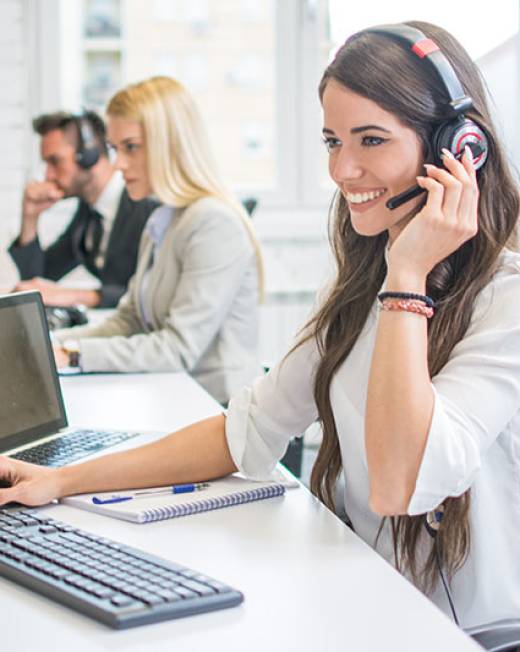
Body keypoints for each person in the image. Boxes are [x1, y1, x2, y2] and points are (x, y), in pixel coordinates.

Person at [0, 22, 518, 629]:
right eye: (332, 141)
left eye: (371, 140)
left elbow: (399, 486)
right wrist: (62, 480)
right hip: (373, 598)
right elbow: (246, 430)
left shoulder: (503, 299)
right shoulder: (358, 287)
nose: (343, 171)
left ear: (459, 149)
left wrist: (408, 274)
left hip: (462, 632)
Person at [50, 76, 263, 406]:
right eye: (115, 149)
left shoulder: (213, 222)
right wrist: (50, 343)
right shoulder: (163, 219)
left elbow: (177, 349)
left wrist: (72, 353)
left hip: (219, 413)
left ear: (170, 144)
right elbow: (130, 319)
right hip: (174, 400)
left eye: (131, 147)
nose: (119, 164)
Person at [9, 111, 158, 307]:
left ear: (89, 155)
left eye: (55, 161)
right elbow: (37, 280)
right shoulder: (88, 215)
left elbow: (157, 294)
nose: (48, 175)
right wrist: (30, 216)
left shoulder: (147, 205)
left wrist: (78, 296)